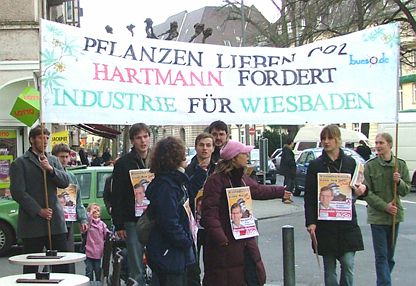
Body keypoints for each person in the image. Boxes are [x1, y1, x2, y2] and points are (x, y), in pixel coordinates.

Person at [201, 140, 291, 286]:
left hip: (243, 236)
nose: (248, 156)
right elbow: (209, 213)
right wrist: (221, 238)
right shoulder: (215, 181)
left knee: (249, 275)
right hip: (225, 243)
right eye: (244, 153)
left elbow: (257, 190)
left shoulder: (241, 179)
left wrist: (280, 191)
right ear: (235, 157)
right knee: (225, 278)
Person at [304, 124, 367, 286]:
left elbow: (361, 187)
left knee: (348, 263)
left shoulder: (350, 163)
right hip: (325, 223)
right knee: (329, 267)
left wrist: (362, 190)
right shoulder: (316, 165)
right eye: (323, 138)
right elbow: (309, 196)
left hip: (347, 223)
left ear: (338, 140)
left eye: (330, 138)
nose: (326, 142)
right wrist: (310, 222)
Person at [9, 125, 70, 274]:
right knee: (31, 266)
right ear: (32, 139)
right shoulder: (20, 163)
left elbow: (65, 182)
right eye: (41, 138)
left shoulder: (53, 160)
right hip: (32, 225)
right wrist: (38, 210)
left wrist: (50, 169)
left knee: (61, 263)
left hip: (54, 223)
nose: (45, 141)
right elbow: (17, 192)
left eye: (47, 138)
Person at [146, 137, 196, 286]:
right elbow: (169, 222)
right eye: (183, 154)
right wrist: (185, 241)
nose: (186, 158)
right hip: (168, 251)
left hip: (170, 250)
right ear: (176, 158)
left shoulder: (173, 181)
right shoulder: (167, 186)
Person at [363, 132, 410, 286]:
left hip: (394, 217)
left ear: (389, 144)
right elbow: (366, 193)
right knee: (381, 256)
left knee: (389, 257)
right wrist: (385, 207)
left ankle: (383, 281)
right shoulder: (370, 166)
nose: (377, 146)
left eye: (381, 143)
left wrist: (399, 182)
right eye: (376, 143)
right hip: (377, 217)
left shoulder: (400, 165)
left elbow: (406, 190)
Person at [111, 123, 152, 285]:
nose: (143, 141)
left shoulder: (157, 159)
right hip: (132, 220)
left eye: (146, 136)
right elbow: (117, 195)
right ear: (132, 141)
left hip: (154, 217)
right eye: (138, 138)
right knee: (136, 265)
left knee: (157, 261)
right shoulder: (123, 163)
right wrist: (119, 224)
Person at [52, 143, 89, 273]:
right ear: (54, 158)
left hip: (68, 223)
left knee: (68, 257)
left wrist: (83, 219)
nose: (65, 160)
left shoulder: (72, 177)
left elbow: (78, 201)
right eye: (61, 157)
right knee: (54, 259)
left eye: (67, 157)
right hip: (53, 224)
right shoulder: (49, 176)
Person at [185, 132, 215, 285]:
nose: (205, 149)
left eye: (208, 145)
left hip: (211, 224)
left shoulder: (217, 170)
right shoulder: (187, 170)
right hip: (192, 225)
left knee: (212, 266)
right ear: (196, 147)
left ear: (213, 148)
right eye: (201, 145)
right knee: (192, 267)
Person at [85, 203, 110, 281]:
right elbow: (87, 221)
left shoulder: (102, 224)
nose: (96, 212)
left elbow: (107, 233)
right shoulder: (89, 224)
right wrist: (90, 213)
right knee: (89, 271)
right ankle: (89, 283)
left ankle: (98, 283)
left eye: (98, 210)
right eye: (94, 210)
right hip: (89, 251)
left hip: (98, 252)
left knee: (97, 270)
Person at [279, 138, 296, 203]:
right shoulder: (287, 151)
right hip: (289, 171)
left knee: (290, 184)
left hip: (288, 171)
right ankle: (285, 198)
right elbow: (289, 160)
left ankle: (287, 197)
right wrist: (293, 163)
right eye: (292, 144)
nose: (293, 145)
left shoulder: (286, 150)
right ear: (290, 143)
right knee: (288, 185)